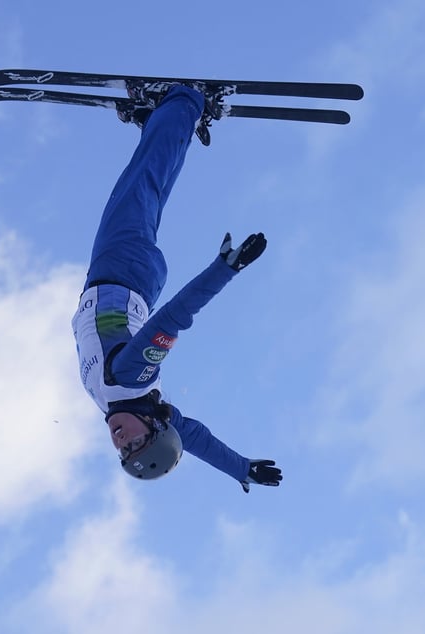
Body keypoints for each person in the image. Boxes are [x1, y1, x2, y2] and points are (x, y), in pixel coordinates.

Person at [71, 84, 283, 491]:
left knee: (148, 188)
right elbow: (174, 318)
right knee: (143, 183)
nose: (121, 441)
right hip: (121, 271)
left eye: (123, 451)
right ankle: (184, 101)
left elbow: (195, 438)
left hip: (133, 280)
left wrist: (241, 468)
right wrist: (225, 269)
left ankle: (167, 121)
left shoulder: (144, 402)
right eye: (136, 441)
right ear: (152, 426)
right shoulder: (133, 376)